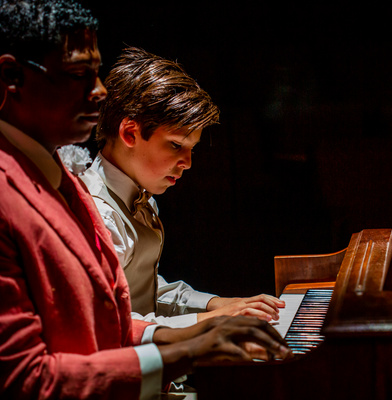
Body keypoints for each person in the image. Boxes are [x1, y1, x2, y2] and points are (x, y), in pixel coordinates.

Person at [0, 1, 290, 399]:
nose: (100, 92)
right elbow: (25, 378)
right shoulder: (24, 195)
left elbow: (112, 312)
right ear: (11, 76)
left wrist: (211, 317)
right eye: (79, 75)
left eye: (97, 75)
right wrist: (189, 345)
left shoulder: (62, 176)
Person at [74, 46, 285, 329]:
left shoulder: (140, 193)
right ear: (129, 133)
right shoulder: (98, 214)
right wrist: (213, 319)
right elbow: (110, 324)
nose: (187, 163)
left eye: (191, 149)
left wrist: (217, 304)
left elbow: (142, 292)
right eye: (176, 145)